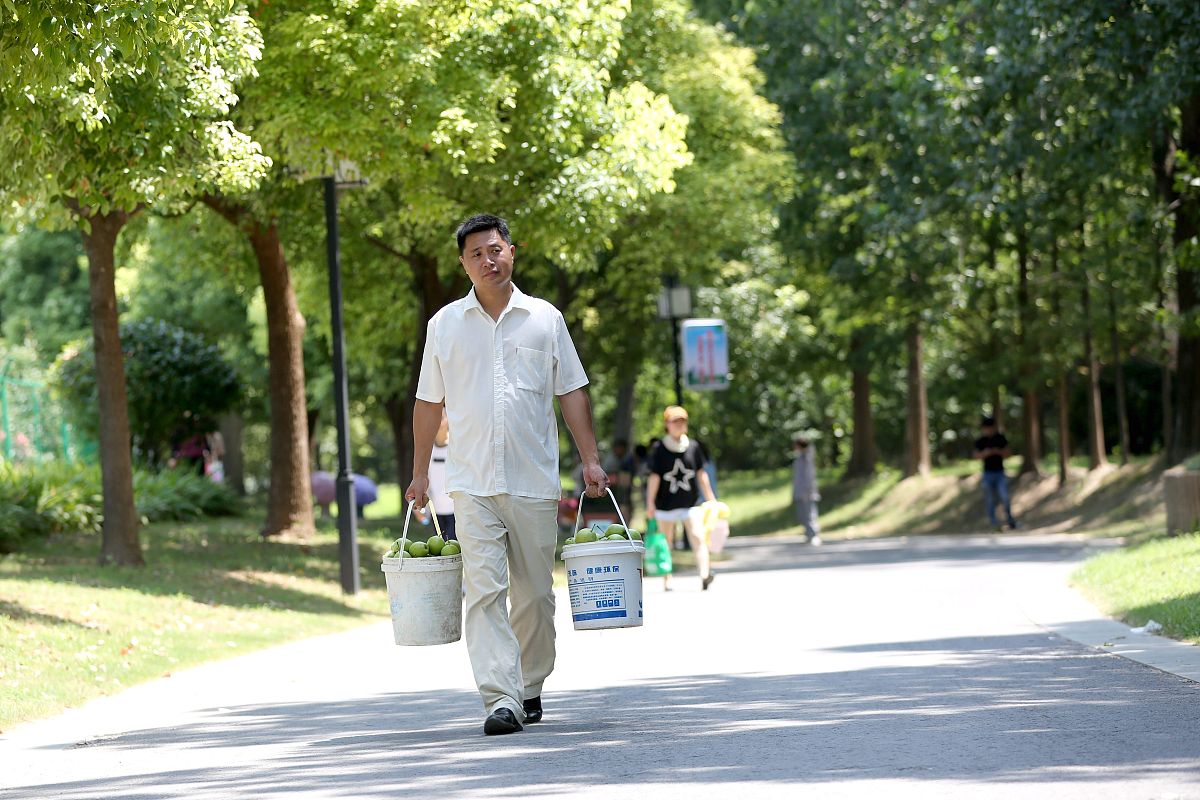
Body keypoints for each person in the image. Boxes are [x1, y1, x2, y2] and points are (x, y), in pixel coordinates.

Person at [405, 213, 607, 737]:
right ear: (463, 265)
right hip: (470, 483)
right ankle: (500, 697)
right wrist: (419, 474)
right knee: (485, 591)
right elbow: (428, 402)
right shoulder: (444, 325)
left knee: (536, 594)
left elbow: (572, 391)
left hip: (533, 479)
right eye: (476, 254)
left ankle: (531, 684)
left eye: (495, 250)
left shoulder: (545, 319)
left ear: (512, 252)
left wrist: (590, 459)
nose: (487, 261)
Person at [646, 405, 718, 591]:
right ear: (667, 424)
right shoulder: (659, 448)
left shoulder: (693, 447)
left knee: (698, 536)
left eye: (682, 421)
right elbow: (654, 477)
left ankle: (704, 574)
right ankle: (667, 578)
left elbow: (701, 474)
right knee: (666, 542)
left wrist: (711, 499)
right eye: (675, 421)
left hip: (690, 503)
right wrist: (650, 503)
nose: (679, 424)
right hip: (665, 505)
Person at [416, 409, 457, 539]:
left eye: (441, 417)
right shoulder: (426, 452)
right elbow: (425, 484)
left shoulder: (458, 448)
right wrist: (422, 512)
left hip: (458, 513)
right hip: (435, 514)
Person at [973, 416, 1019, 531]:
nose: (987, 430)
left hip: (1000, 472)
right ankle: (994, 523)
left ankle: (1009, 520)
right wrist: (986, 453)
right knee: (990, 499)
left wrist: (997, 451)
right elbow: (975, 456)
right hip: (987, 473)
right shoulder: (981, 440)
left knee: (1004, 496)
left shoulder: (1000, 438)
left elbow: (1009, 453)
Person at [792, 437, 822, 545]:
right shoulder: (799, 458)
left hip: (808, 493)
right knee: (802, 515)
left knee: (810, 514)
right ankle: (808, 535)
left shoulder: (808, 458)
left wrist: (808, 491)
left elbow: (809, 476)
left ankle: (814, 535)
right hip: (799, 492)